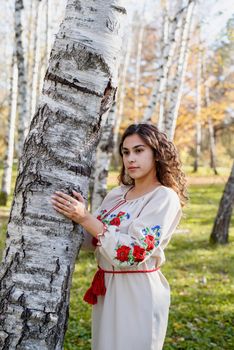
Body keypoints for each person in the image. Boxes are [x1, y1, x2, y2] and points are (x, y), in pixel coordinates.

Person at [51, 123, 188, 350]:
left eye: (139, 150)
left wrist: (86, 218)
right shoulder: (117, 194)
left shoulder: (164, 197)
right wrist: (72, 217)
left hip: (138, 290)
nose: (130, 158)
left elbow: (133, 253)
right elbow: (94, 240)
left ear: (156, 154)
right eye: (125, 152)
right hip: (107, 288)